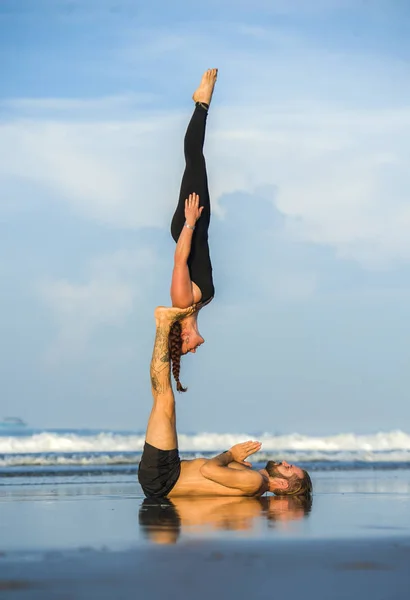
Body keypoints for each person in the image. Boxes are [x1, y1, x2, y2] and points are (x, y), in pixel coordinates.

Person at [138, 306, 313, 499]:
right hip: (166, 476)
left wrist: (232, 454)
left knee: (164, 400)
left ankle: (163, 323)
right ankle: (162, 324)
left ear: (282, 483)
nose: (285, 462)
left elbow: (208, 470)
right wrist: (234, 462)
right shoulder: (254, 480)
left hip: (164, 477)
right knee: (163, 400)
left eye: (289, 468)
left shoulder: (255, 482)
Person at [169, 68, 218, 392]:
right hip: (198, 225)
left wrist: (189, 221)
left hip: (191, 224)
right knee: (196, 162)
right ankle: (201, 104)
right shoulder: (197, 305)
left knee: (194, 160)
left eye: (189, 348)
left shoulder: (182, 300)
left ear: (184, 335)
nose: (194, 348)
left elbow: (180, 261)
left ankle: (201, 103)